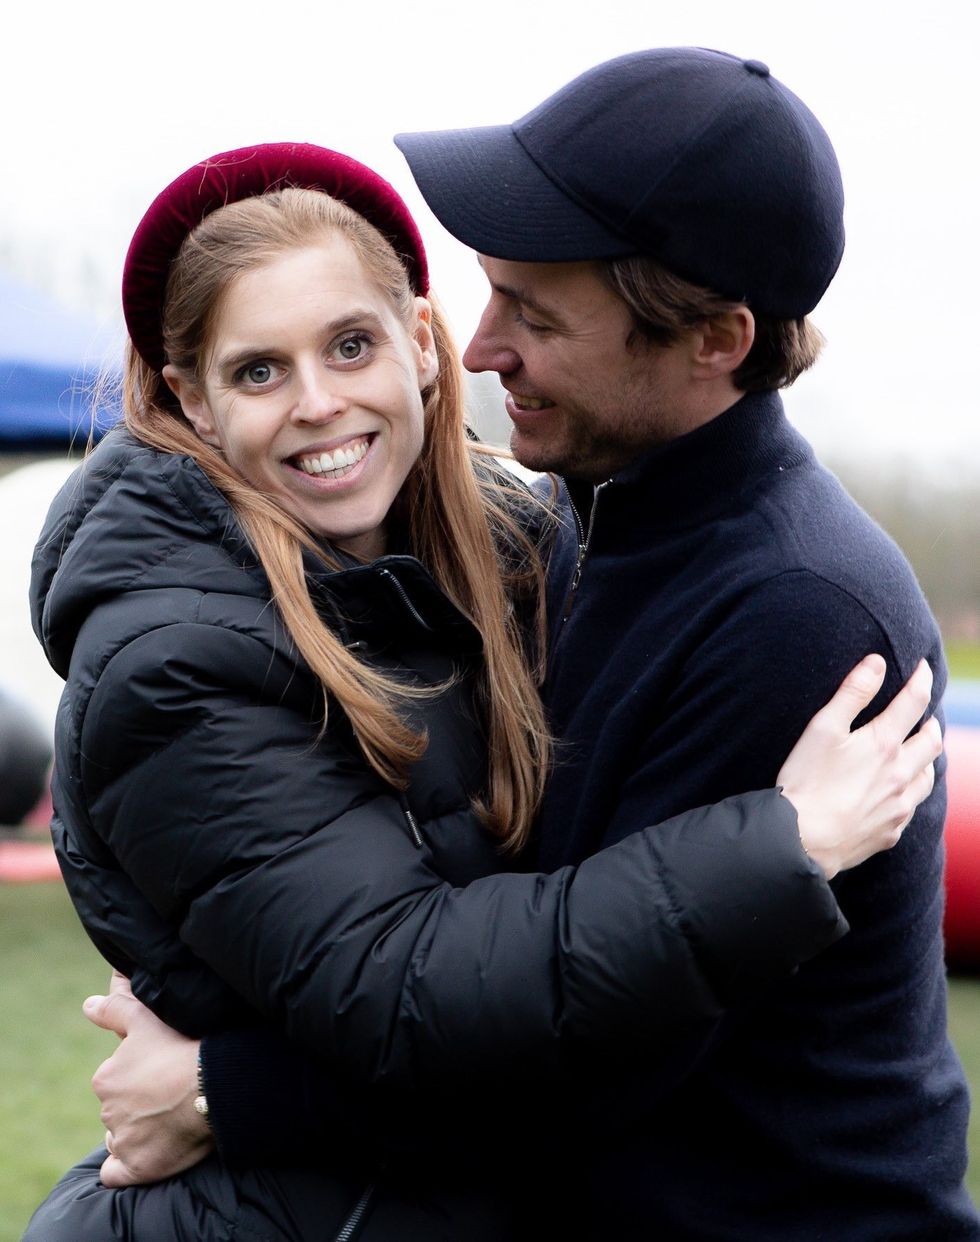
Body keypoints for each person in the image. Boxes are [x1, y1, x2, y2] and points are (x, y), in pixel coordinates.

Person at [68, 49, 977, 1241]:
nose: (482, 345)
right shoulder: (576, 527)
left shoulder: (790, 613)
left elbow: (590, 1071)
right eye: (487, 296)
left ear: (711, 338)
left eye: (535, 316)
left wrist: (219, 1092)